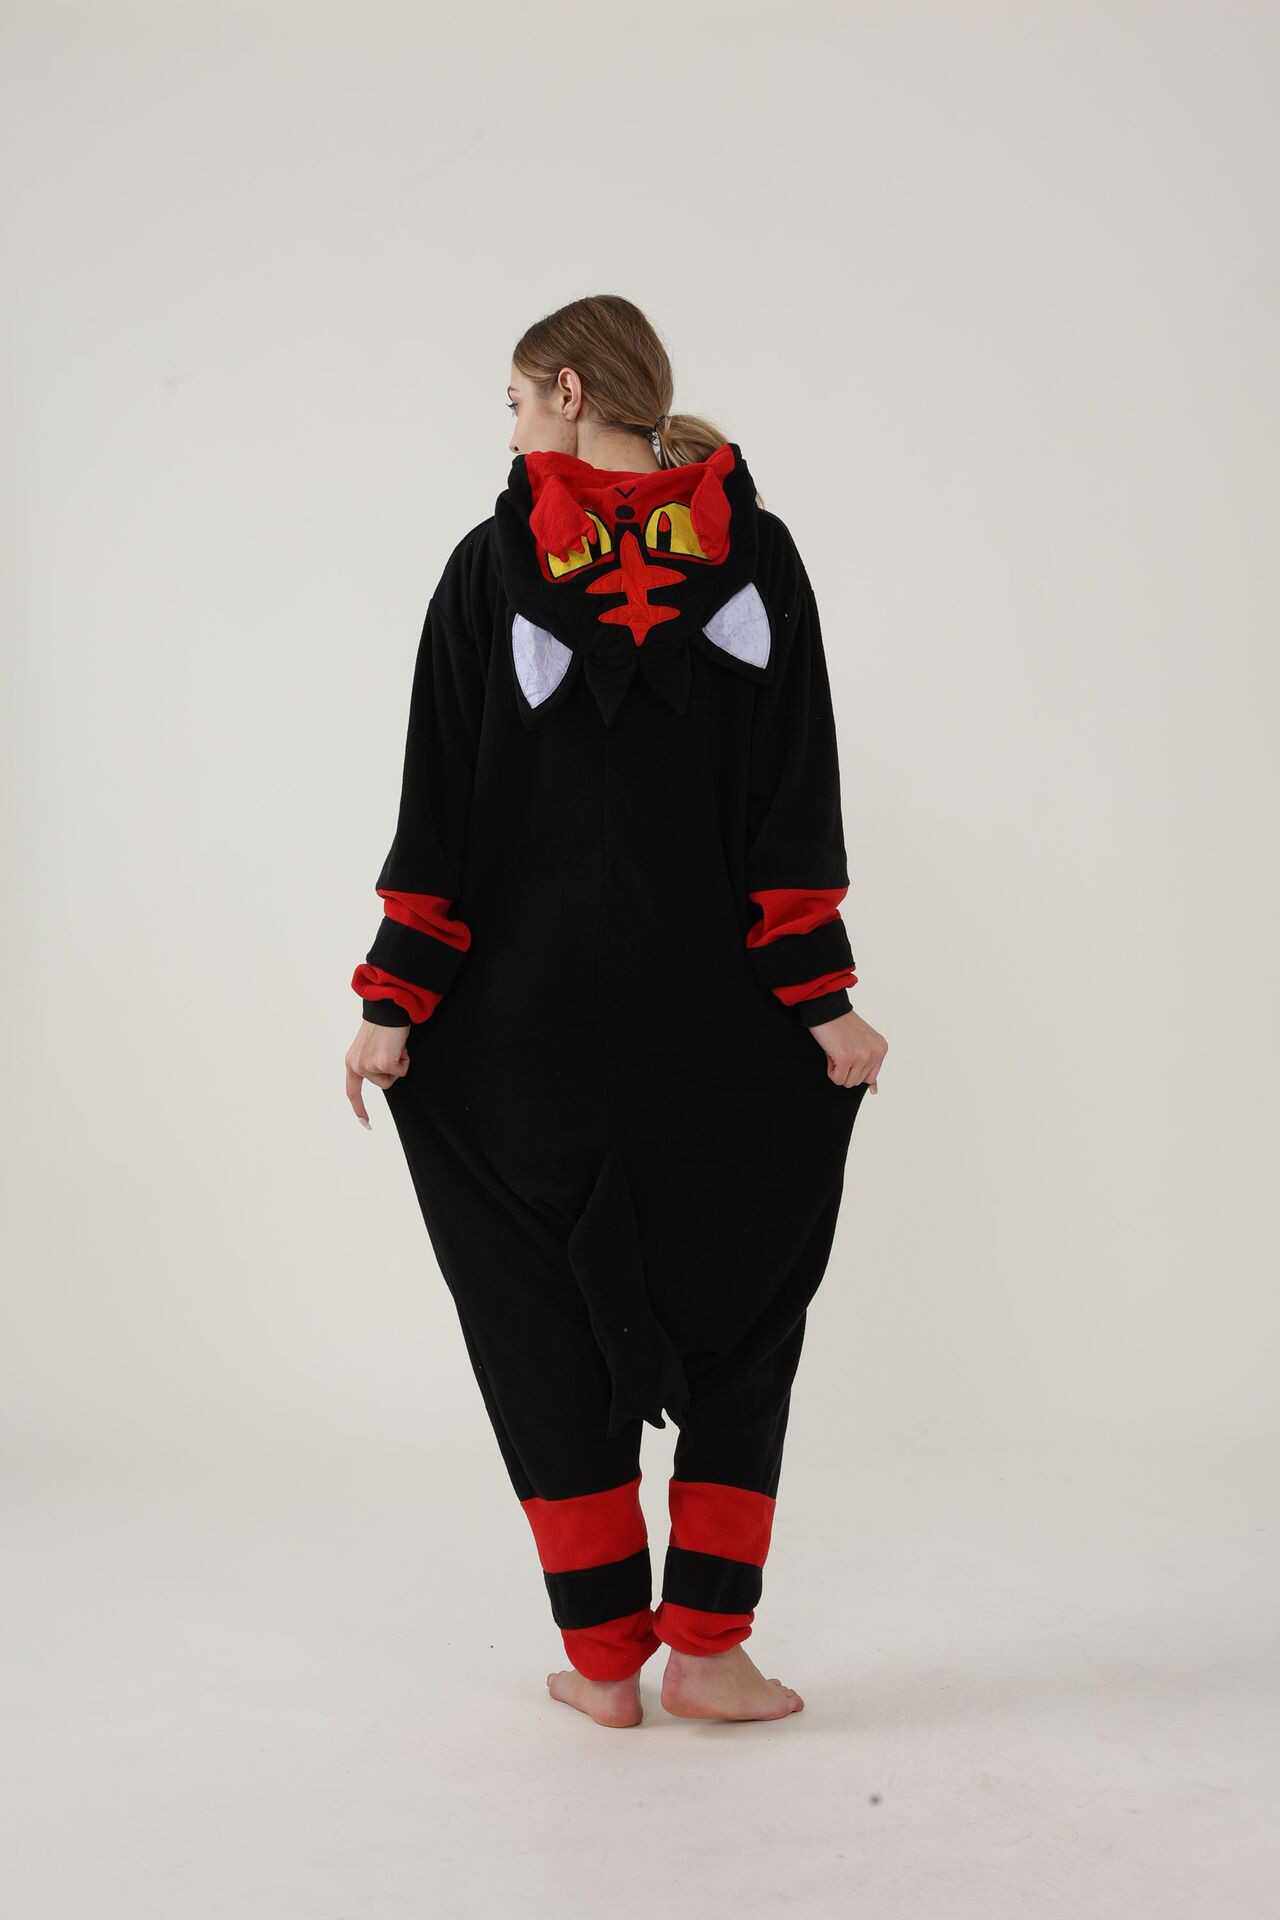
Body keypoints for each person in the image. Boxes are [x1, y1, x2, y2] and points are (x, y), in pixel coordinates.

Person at [344, 293, 888, 1730]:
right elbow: (795, 798)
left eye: (520, 400)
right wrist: (822, 1002)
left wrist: (396, 1001)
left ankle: (603, 1668)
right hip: (724, 1028)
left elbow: (441, 805)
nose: (515, 425)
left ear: (571, 391)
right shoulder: (758, 557)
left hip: (524, 1037)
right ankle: (707, 1652)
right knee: (742, 1325)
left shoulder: (490, 568)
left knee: (539, 1331)